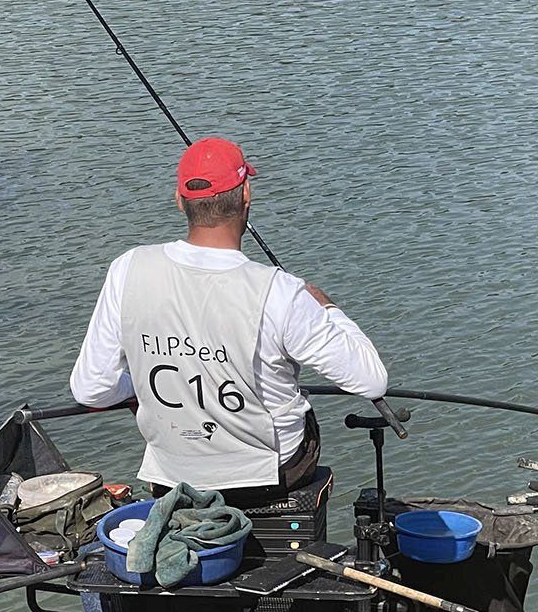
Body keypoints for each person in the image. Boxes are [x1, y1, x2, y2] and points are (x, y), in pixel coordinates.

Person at [69, 137, 387, 499]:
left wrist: (140, 389)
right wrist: (329, 310)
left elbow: (91, 388)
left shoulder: (127, 269)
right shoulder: (281, 292)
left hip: (172, 478)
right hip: (268, 477)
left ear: (179, 201)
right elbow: (371, 381)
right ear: (246, 195)